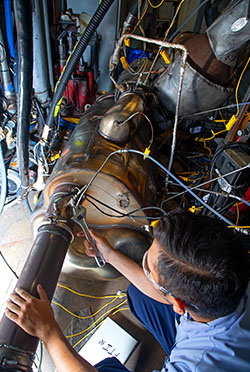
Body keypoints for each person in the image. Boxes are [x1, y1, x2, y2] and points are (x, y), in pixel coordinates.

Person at [5, 209, 250, 372]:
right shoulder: (234, 267)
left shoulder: (197, 364)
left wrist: (49, 333)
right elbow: (160, 291)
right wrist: (110, 256)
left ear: (180, 305)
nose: (145, 268)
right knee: (139, 295)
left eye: (148, 267)